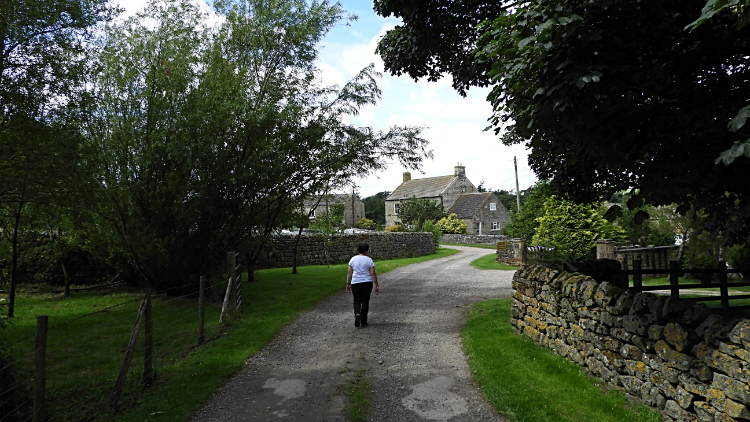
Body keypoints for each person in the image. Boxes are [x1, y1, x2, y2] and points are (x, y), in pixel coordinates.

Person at [346, 242, 380, 327]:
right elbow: (373, 274)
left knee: (356, 300)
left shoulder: (353, 259)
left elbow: (349, 272)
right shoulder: (369, 260)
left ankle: (357, 312)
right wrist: (377, 285)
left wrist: (348, 283)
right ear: (366, 250)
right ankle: (363, 321)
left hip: (356, 282)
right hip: (367, 283)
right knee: (365, 301)